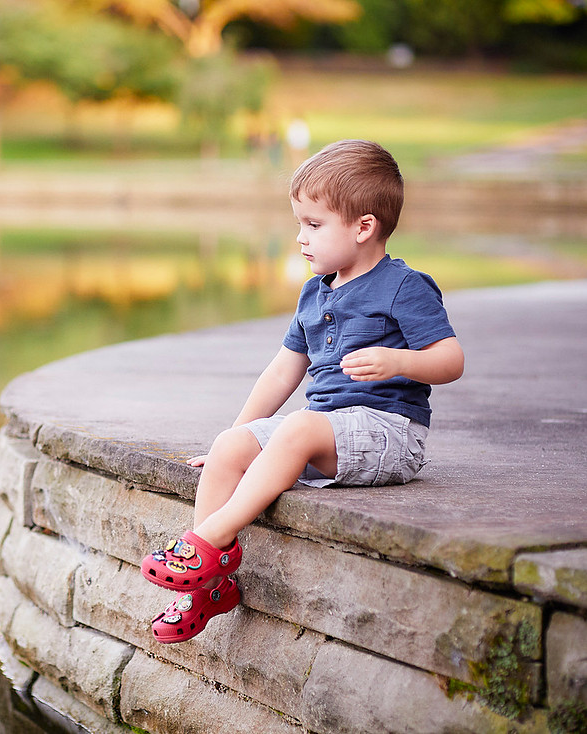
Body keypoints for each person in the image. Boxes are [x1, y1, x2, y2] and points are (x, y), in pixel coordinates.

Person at [142, 139, 465, 644]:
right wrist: (238, 435)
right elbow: (281, 373)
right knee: (232, 446)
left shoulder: (405, 286)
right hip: (321, 434)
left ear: (364, 227)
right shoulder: (315, 291)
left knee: (298, 426)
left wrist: (398, 360)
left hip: (388, 436)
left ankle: (207, 540)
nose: (300, 238)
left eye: (313, 225)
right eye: (299, 224)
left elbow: (451, 360)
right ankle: (210, 586)